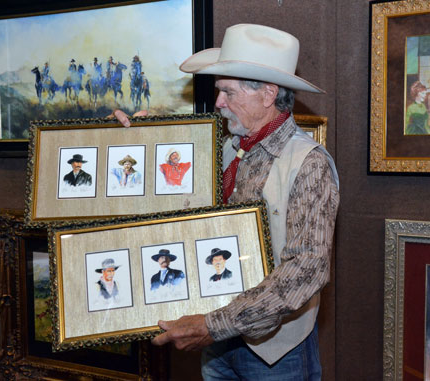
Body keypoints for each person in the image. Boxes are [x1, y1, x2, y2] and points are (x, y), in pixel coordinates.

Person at [114, 23, 339, 379]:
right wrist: (135, 143)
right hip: (218, 346)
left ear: (267, 94)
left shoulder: (309, 163)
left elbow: (306, 272)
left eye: (228, 93)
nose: (218, 102)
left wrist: (214, 325)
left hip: (275, 355)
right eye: (219, 92)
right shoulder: (225, 148)